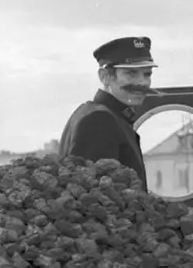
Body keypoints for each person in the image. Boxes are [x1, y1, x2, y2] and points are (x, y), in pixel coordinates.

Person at [59, 36, 158, 191]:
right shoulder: (99, 121)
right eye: (131, 74)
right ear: (105, 76)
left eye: (147, 74)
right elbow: (96, 199)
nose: (143, 82)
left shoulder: (104, 115)